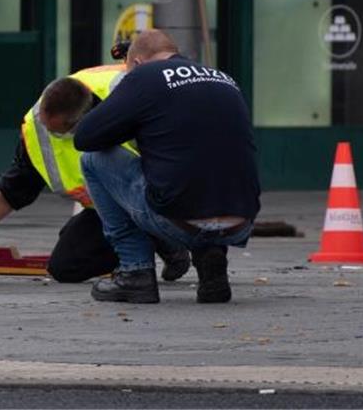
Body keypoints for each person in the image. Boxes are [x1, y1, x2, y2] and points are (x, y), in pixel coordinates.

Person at [0, 64, 191, 283]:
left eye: (58, 130)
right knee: (65, 266)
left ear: (85, 120)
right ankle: (158, 240)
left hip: (158, 198)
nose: (49, 134)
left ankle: (166, 243)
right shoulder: (36, 128)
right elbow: (14, 189)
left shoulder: (123, 103)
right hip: (110, 211)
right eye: (47, 126)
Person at [73, 29, 261, 304]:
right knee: (203, 164)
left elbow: (85, 137)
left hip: (178, 220)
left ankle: (134, 272)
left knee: (92, 160)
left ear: (135, 63)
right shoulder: (224, 78)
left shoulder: (144, 77)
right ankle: (212, 261)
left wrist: (131, 124)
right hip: (240, 223)